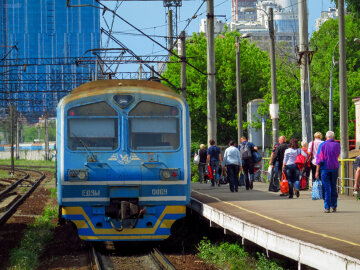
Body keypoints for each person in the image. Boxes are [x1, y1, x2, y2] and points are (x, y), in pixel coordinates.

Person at [315, 131, 340, 213]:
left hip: (325, 168)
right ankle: (334, 205)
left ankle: (327, 207)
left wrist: (317, 171)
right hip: (334, 168)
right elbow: (338, 154)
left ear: (326, 137)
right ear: (333, 137)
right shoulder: (337, 144)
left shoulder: (322, 145)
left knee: (326, 188)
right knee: (333, 186)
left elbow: (319, 159)